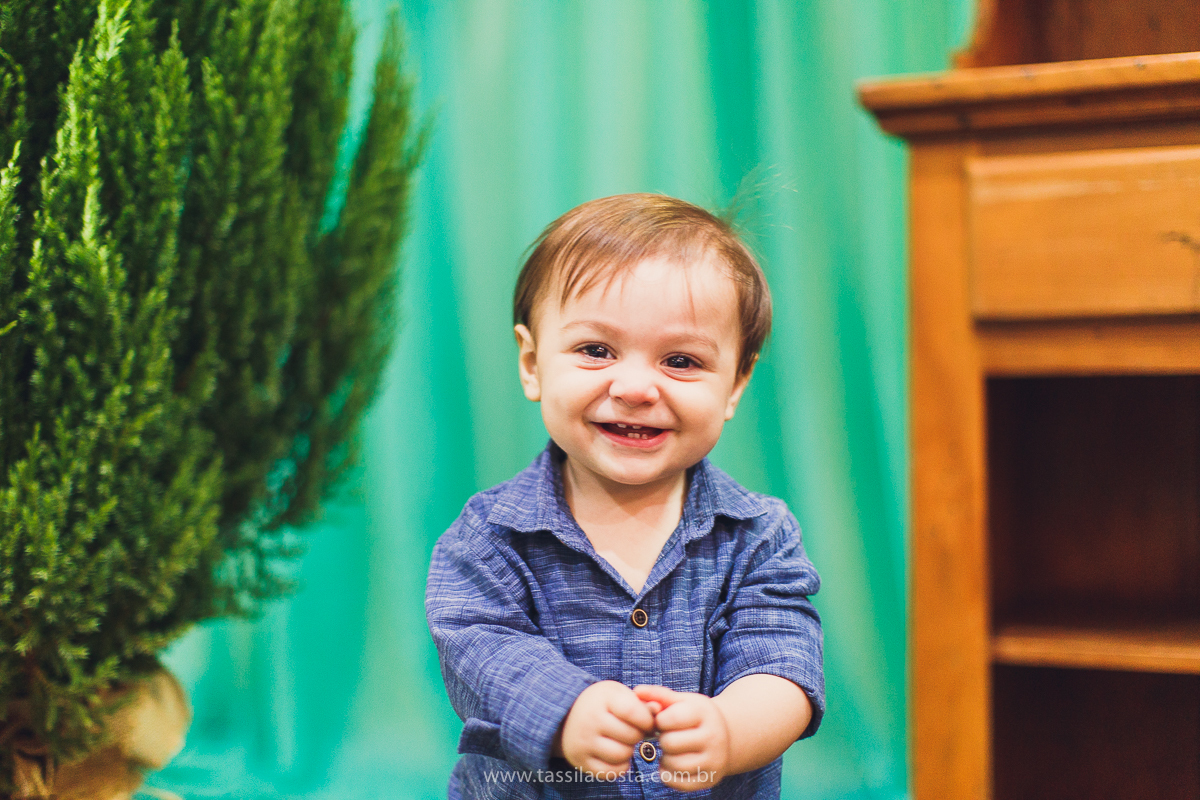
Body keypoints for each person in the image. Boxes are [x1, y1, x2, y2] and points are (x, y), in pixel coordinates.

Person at [425, 193, 823, 799]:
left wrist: (730, 729)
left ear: (736, 383)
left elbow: (783, 662)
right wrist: (566, 708)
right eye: (596, 350)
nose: (635, 387)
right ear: (532, 363)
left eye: (681, 360)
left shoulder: (758, 535)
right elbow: (480, 651)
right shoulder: (490, 537)